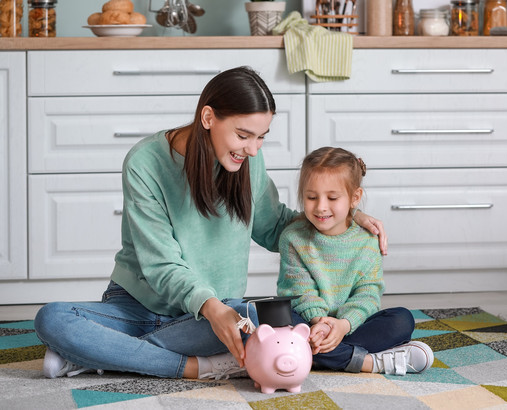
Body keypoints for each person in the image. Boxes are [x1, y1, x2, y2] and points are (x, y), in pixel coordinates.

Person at [34, 67, 387, 380]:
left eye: (261, 136)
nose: (253, 149)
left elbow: (275, 227)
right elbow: (161, 265)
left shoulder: (248, 162)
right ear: (207, 117)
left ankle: (102, 354)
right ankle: (195, 367)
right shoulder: (145, 163)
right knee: (52, 319)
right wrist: (212, 308)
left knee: (274, 313)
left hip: (216, 315)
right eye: (244, 135)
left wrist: (347, 217)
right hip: (139, 308)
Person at [277, 147, 434, 375]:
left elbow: (368, 293)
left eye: (332, 198)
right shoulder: (293, 238)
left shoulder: (368, 241)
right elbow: (299, 291)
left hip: (351, 326)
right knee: (275, 321)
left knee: (402, 320)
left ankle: (301, 355)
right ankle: (368, 362)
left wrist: (342, 325)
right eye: (311, 197)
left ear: (355, 197)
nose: (320, 206)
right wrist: (321, 323)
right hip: (309, 324)